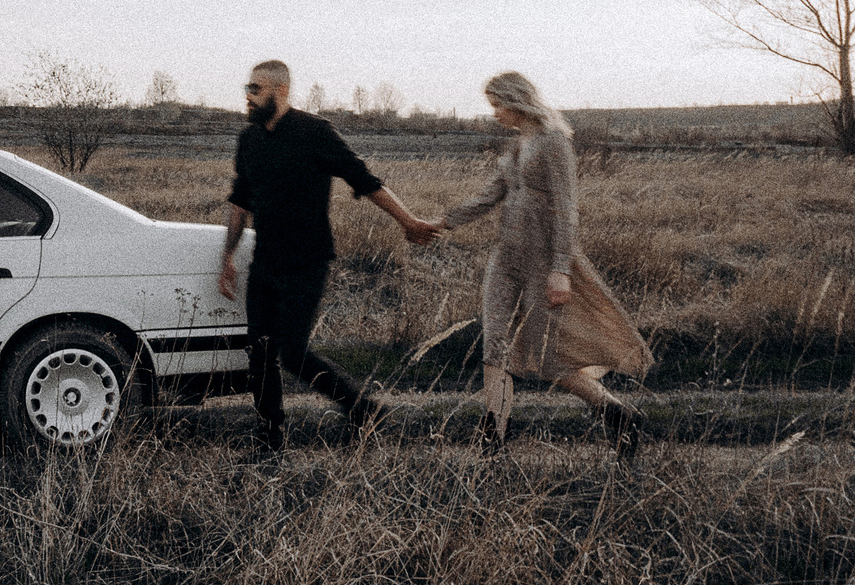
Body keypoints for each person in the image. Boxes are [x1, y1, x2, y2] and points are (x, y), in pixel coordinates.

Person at [428, 71, 650, 461]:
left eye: (497, 105)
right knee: (493, 342)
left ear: (517, 102)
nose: (494, 114)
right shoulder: (516, 148)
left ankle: (616, 413)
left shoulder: (553, 143)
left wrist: (561, 267)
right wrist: (441, 223)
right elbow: (490, 195)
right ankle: (493, 436)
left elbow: (566, 209)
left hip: (543, 261)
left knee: (547, 357)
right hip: (505, 258)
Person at [220, 59, 440, 452]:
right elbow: (240, 200)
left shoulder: (315, 133)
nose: (248, 96)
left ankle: (362, 408)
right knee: (260, 351)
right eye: (247, 88)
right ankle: (269, 437)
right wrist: (227, 259)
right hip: (265, 261)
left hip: (307, 260)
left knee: (293, 353)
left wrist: (408, 220)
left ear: (280, 91)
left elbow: (364, 179)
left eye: (255, 89)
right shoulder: (248, 140)